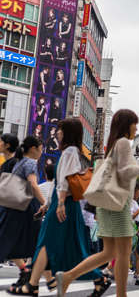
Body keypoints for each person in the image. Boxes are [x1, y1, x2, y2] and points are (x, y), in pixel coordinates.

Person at [56, 110, 139, 297]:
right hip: (117, 206)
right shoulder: (123, 143)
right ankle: (120, 295)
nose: (136, 127)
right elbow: (126, 172)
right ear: (127, 124)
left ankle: (68, 276)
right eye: (135, 123)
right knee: (123, 252)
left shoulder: (114, 145)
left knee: (109, 253)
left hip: (107, 204)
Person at [8, 119, 108, 297]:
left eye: (60, 130)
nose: (57, 132)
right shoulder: (72, 152)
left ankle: (32, 285)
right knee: (73, 246)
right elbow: (60, 181)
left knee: (47, 242)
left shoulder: (70, 152)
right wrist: (49, 203)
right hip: (63, 202)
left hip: (64, 203)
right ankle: (99, 279)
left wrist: (59, 203)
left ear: (67, 132)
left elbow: (65, 180)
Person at [0, 136, 47, 294]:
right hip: (23, 208)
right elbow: (33, 185)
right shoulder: (29, 162)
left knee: (19, 242)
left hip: (15, 207)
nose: (41, 153)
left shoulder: (19, 161)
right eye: (41, 149)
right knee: (33, 243)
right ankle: (35, 279)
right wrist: (44, 202)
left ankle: (33, 279)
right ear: (33, 148)